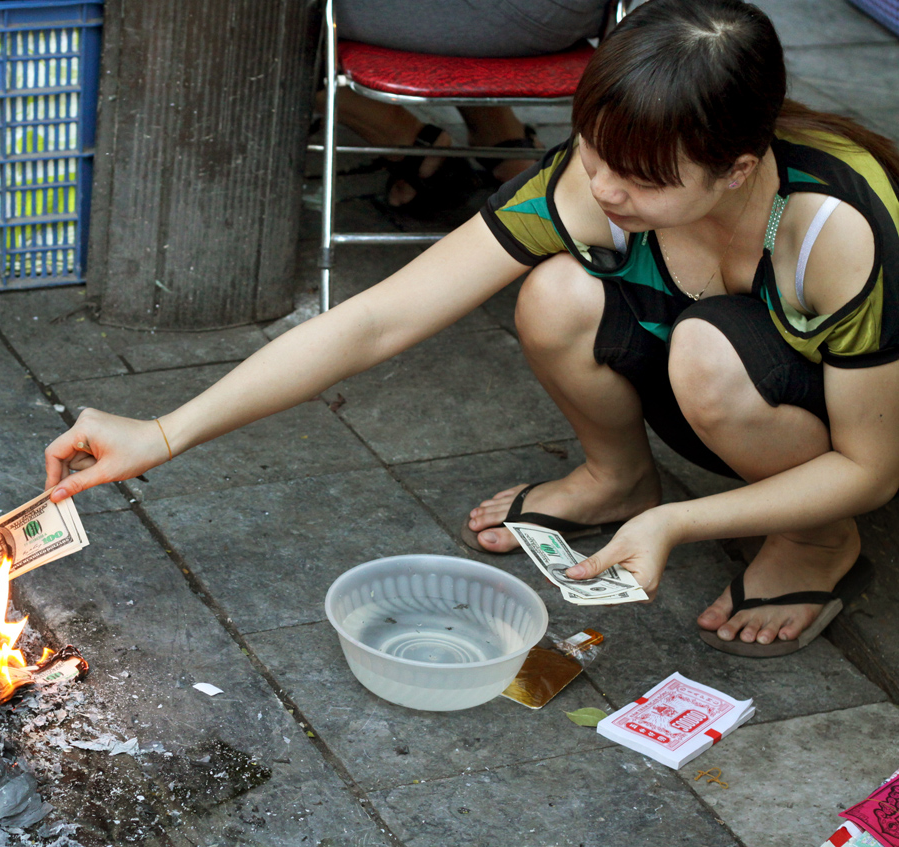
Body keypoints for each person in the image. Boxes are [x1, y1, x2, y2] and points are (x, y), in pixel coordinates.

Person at [45, 0, 899, 658]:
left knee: (711, 354)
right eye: (592, 152)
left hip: (824, 425)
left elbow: (873, 465)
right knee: (553, 294)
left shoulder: (833, 228)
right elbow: (379, 319)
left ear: (737, 170)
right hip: (713, 389)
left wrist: (682, 528)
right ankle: (619, 480)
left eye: (639, 180)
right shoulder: (590, 183)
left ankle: (816, 539)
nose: (603, 189)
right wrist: (164, 430)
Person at [329, 0, 610, 211]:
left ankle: (398, 134)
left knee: (296, 14)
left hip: (503, 16)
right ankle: (497, 133)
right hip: (577, 13)